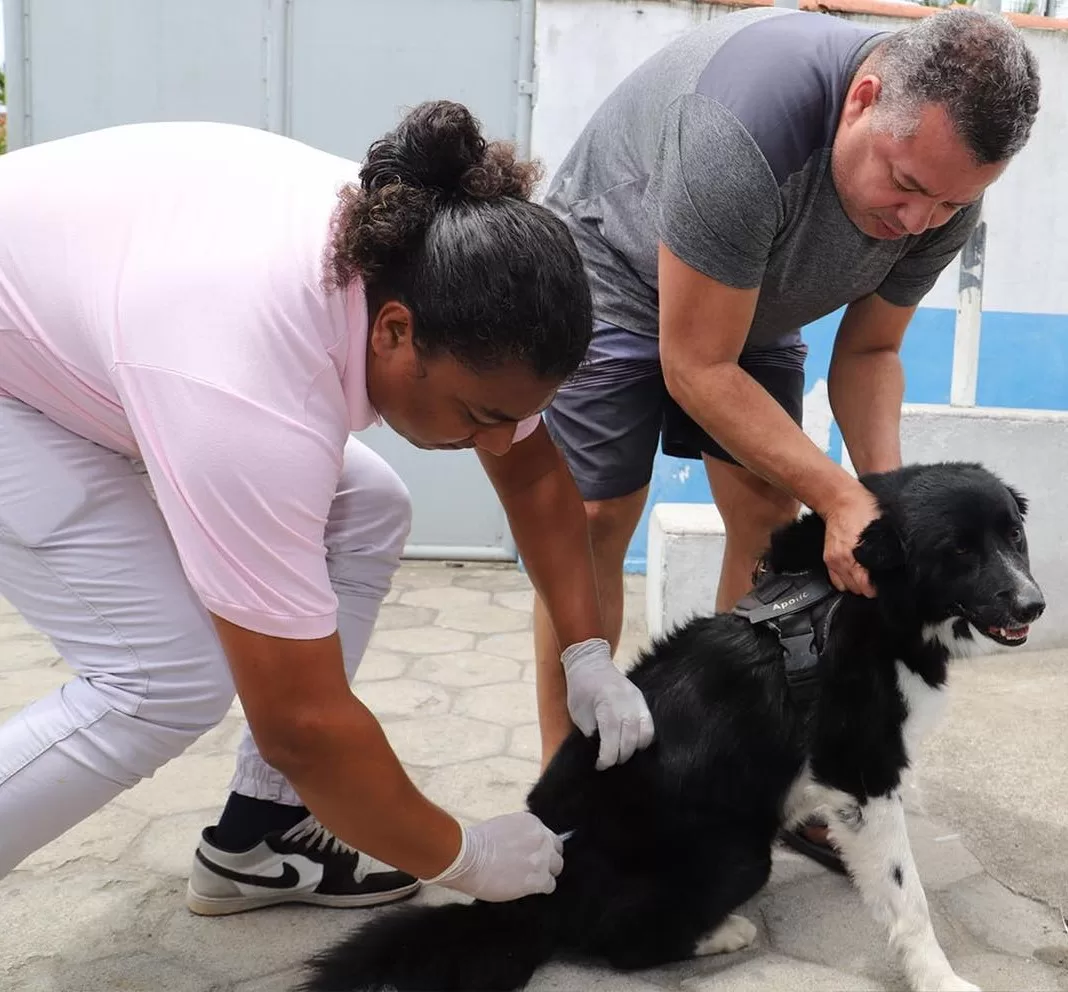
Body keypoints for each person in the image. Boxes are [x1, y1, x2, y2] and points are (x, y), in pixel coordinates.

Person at [0, 100, 655, 915]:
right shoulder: (248, 395)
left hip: (96, 328)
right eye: (482, 416)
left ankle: (260, 835)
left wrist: (585, 651)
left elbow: (532, 475)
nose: (496, 441)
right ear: (393, 333)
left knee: (367, 505)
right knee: (162, 678)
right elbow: (299, 723)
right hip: (24, 380)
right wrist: (465, 856)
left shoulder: (431, 260)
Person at [535, 7, 1040, 870]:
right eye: (906, 185)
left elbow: (873, 352)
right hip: (609, 270)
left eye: (949, 202)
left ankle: (751, 774)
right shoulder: (747, 128)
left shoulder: (944, 183)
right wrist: (840, 496)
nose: (920, 220)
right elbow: (696, 363)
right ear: (863, 101)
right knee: (595, 516)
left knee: (769, 511)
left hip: (760, 296)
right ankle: (571, 803)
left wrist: (886, 518)